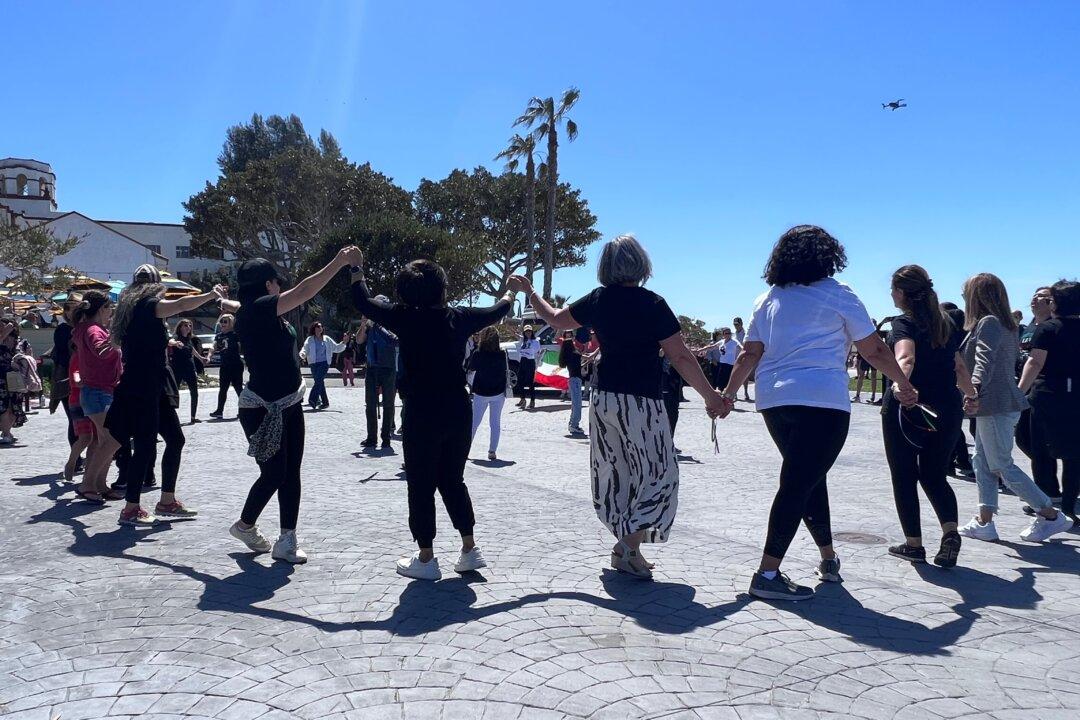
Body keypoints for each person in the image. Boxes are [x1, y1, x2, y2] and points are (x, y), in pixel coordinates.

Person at [717, 225, 918, 601]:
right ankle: (767, 573)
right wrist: (903, 384)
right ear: (828, 256)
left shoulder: (767, 299)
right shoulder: (838, 294)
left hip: (775, 401)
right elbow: (872, 349)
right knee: (797, 483)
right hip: (822, 400)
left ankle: (827, 557)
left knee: (807, 477)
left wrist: (728, 394)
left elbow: (749, 354)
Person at [515, 235, 725, 580]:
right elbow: (681, 356)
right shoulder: (653, 303)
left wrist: (530, 291)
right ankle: (626, 547)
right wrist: (711, 397)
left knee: (619, 475)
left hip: (604, 400)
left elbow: (554, 319)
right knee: (660, 475)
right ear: (641, 264)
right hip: (641, 402)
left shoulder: (598, 299)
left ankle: (630, 550)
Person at [352, 254, 523, 580]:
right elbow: (497, 311)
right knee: (452, 480)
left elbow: (361, 298)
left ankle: (427, 558)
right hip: (458, 408)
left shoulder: (402, 318)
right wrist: (510, 291)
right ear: (441, 289)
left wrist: (356, 265)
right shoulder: (457, 317)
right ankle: (469, 549)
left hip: (421, 411)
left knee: (420, 485)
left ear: (404, 291)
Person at [227, 250, 359, 562]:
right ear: (268, 284)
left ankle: (287, 539)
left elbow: (237, 306)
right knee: (274, 473)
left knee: (290, 472)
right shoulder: (260, 309)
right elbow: (304, 291)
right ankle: (245, 525)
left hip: (288, 402)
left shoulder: (250, 310)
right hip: (262, 407)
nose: (279, 288)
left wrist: (222, 302)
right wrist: (338, 262)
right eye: (276, 283)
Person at [956, 273, 1071, 543]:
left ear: (977, 295)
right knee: (982, 460)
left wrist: (973, 390)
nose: (963, 296)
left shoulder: (989, 322)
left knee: (1001, 464)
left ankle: (1050, 514)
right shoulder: (1003, 323)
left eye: (966, 292)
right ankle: (985, 521)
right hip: (995, 402)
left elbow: (984, 359)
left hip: (994, 401)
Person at [106, 266, 225, 526]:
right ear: (156, 284)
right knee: (146, 445)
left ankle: (166, 501)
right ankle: (131, 508)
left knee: (175, 438)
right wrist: (209, 295)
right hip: (144, 386)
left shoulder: (131, 308)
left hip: (151, 384)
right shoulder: (148, 304)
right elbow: (181, 304)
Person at [880, 266, 975, 567]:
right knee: (935, 474)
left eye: (894, 289)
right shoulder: (946, 324)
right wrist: (972, 395)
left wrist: (901, 385)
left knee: (904, 474)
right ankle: (949, 531)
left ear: (903, 294)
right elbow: (959, 367)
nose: (891, 294)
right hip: (947, 407)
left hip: (910, 409)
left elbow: (905, 357)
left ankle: (914, 544)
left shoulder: (903, 323)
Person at [1019, 279, 1080, 522]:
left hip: (1048, 393)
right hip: (1076, 394)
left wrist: (1019, 391)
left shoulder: (1048, 328)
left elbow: (1035, 362)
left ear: (1056, 303)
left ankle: (1045, 501)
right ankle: (1068, 505)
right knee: (1074, 453)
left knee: (1040, 448)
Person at [72, 291, 122, 485]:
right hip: (98, 392)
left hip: (98, 392)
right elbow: (101, 350)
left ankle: (99, 484)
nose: (111, 313)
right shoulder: (93, 329)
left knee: (105, 441)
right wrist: (116, 337)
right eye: (110, 308)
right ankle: (88, 484)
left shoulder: (86, 328)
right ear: (102, 308)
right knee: (112, 440)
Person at [1014, 287, 1060, 499]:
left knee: (1037, 440)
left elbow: (1037, 361)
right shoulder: (1031, 326)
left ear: (1052, 302)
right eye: (1034, 294)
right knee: (1024, 439)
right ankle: (1047, 475)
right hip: (1025, 387)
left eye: (1042, 296)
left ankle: (1048, 489)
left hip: (1044, 389)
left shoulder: (1055, 327)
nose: (1035, 298)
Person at [942, 302, 976, 480]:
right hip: (968, 384)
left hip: (954, 384)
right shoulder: (969, 336)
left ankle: (953, 462)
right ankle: (963, 460)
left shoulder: (946, 337)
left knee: (950, 426)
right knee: (963, 426)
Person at [468, 326, 510, 461]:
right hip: (498, 392)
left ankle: (465, 449)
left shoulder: (478, 353)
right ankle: (492, 451)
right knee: (495, 423)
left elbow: (470, 371)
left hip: (481, 391)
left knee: (474, 423)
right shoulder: (503, 354)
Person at [361, 308, 399, 448]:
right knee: (370, 404)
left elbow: (395, 340)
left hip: (388, 368)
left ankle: (386, 437)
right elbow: (359, 340)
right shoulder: (370, 326)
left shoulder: (390, 325)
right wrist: (363, 324)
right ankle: (371, 438)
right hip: (372, 368)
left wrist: (380, 326)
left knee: (388, 404)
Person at [49, 297, 81, 452]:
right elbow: (64, 357)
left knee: (83, 420)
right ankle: (75, 459)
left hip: (83, 376)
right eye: (72, 308)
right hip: (68, 378)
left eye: (78, 307)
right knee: (73, 418)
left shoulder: (84, 327)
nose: (75, 311)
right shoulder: (63, 330)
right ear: (66, 311)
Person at [169, 319, 208, 424]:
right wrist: (176, 343)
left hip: (190, 368)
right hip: (177, 369)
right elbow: (170, 341)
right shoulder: (177, 337)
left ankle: (193, 417)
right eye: (185, 325)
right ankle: (172, 418)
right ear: (180, 327)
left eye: (189, 325)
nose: (188, 327)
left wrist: (201, 358)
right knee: (174, 393)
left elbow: (192, 350)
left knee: (194, 392)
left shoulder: (189, 339)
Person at [299, 321, 345, 411]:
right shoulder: (310, 339)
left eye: (321, 327)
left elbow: (336, 348)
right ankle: (325, 402)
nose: (320, 328)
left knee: (319, 380)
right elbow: (305, 348)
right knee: (319, 382)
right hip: (313, 364)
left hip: (324, 363)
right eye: (318, 326)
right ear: (314, 328)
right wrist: (302, 355)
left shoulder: (326, 339)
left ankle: (313, 399)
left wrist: (344, 342)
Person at [210, 313, 245, 418]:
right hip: (224, 365)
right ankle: (219, 411)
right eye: (222, 321)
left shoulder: (235, 334)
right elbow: (213, 347)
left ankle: (244, 410)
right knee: (223, 389)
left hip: (235, 364)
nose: (223, 323)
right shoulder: (219, 336)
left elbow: (241, 348)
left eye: (226, 321)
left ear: (231, 323)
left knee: (238, 387)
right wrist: (209, 356)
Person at [0, 320, 27, 445]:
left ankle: (7, 432)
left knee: (11, 405)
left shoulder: (16, 340)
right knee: (6, 406)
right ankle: (6, 432)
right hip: (4, 377)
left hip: (11, 376)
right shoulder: (5, 337)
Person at [559, 329, 585, 434]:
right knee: (577, 404)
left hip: (574, 379)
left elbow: (577, 366)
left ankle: (573, 424)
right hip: (575, 380)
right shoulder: (573, 353)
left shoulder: (569, 354)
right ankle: (574, 425)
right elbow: (583, 358)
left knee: (576, 404)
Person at [852, 321, 880, 404]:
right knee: (861, 376)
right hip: (865, 357)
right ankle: (857, 395)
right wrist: (859, 357)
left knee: (873, 376)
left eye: (874, 323)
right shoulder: (864, 332)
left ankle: (873, 396)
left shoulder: (876, 333)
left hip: (874, 356)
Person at [515, 326, 541, 410]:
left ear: (532, 332)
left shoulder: (535, 341)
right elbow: (515, 335)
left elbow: (537, 351)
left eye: (529, 331)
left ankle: (532, 401)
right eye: (526, 331)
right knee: (519, 381)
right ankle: (522, 399)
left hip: (530, 361)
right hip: (523, 361)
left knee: (530, 383)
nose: (528, 333)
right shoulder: (523, 339)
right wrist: (508, 326)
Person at [733, 317, 753, 401]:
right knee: (734, 375)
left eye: (737, 324)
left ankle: (745, 392)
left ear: (741, 324)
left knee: (745, 375)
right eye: (735, 324)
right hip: (734, 358)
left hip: (743, 357)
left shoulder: (746, 333)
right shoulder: (733, 335)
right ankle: (734, 393)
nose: (736, 326)